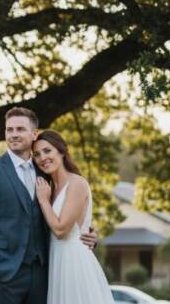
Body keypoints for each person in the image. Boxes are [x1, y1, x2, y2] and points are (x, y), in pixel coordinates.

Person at [0, 107, 98, 304]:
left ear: (33, 133)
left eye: (20, 129)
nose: (14, 134)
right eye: (9, 130)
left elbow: (65, 213)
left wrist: (87, 234)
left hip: (43, 274)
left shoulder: (45, 170)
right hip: (3, 274)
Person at [32, 129, 114, 304]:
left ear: (61, 151)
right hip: (55, 261)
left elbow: (61, 230)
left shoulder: (76, 183)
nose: (42, 158)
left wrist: (44, 201)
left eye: (47, 151)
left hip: (74, 262)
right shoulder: (49, 188)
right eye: (37, 154)